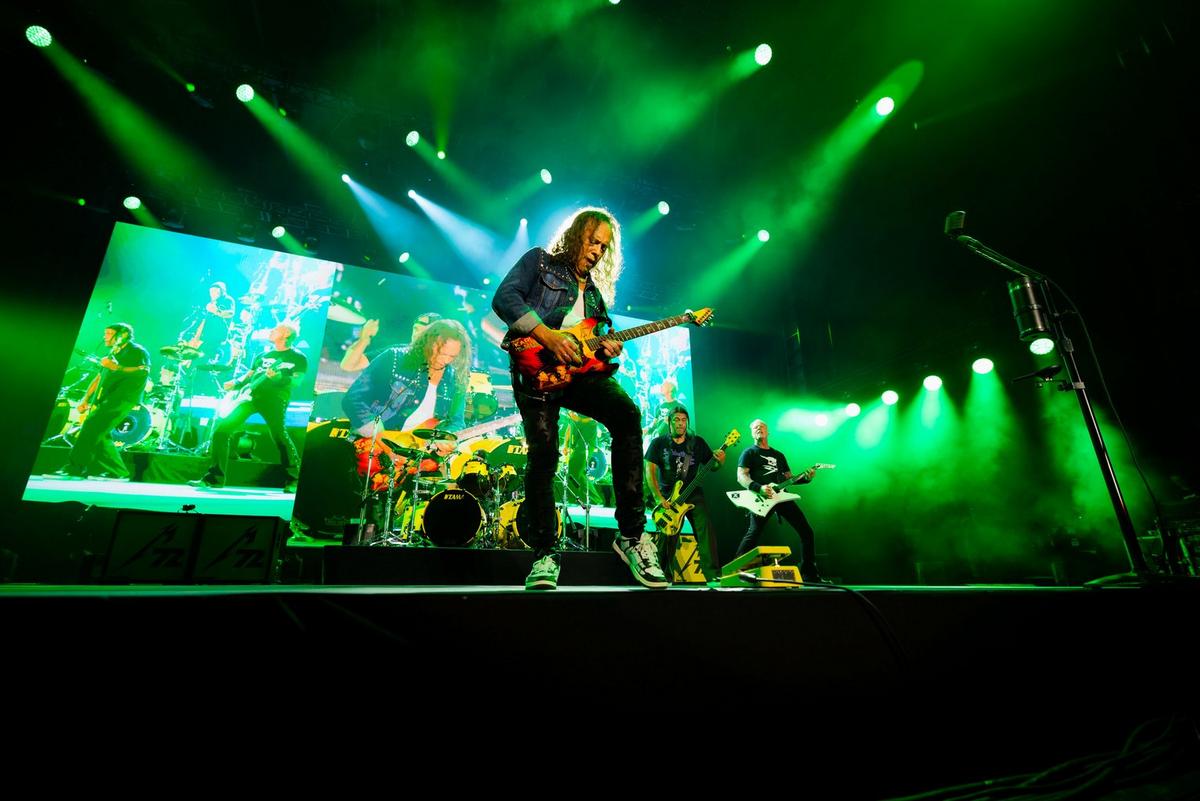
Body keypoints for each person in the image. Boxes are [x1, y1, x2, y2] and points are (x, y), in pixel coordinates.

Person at [492, 206, 667, 590]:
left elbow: (600, 341)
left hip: (580, 376)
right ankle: (544, 553)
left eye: (603, 247)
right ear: (575, 235)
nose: (597, 251)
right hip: (537, 371)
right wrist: (547, 335)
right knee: (544, 453)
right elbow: (504, 297)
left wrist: (609, 348)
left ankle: (632, 535)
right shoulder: (540, 262)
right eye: (592, 241)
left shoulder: (596, 296)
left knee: (626, 414)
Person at [194, 323, 307, 492]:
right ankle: (214, 478)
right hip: (250, 397)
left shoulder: (297, 357)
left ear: (286, 334)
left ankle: (294, 479)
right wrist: (236, 383)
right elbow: (250, 375)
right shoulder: (263, 355)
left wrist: (278, 379)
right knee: (221, 431)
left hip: (274, 399)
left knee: (279, 435)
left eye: (276, 329)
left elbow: (296, 381)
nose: (271, 330)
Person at [53, 323, 150, 479]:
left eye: (109, 333)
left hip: (123, 398)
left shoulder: (137, 350)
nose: (105, 337)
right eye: (105, 333)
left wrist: (117, 367)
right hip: (108, 398)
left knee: (91, 425)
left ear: (123, 335)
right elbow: (99, 377)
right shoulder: (113, 353)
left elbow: (143, 371)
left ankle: (74, 468)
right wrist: (85, 399)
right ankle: (118, 472)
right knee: (101, 433)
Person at [734, 418, 823, 582]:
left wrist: (806, 478)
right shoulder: (749, 453)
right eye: (755, 427)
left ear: (768, 432)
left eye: (762, 426)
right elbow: (741, 476)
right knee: (753, 533)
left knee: (806, 531)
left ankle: (810, 574)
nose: (759, 429)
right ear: (751, 433)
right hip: (762, 498)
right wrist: (758, 488)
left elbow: (789, 478)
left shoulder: (778, 455)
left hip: (781, 497)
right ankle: (737, 571)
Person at [645, 407, 724, 581]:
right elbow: (649, 472)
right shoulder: (658, 443)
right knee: (668, 536)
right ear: (669, 422)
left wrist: (719, 461)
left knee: (705, 531)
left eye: (683, 420)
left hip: (693, 494)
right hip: (669, 496)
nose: (680, 423)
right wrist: (658, 497)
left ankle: (713, 576)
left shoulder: (697, 443)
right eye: (676, 420)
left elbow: (713, 466)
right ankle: (663, 576)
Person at [339, 311, 443, 373]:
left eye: (425, 331)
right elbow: (348, 365)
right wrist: (364, 339)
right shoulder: (395, 353)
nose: (417, 334)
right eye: (416, 329)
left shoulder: (446, 363)